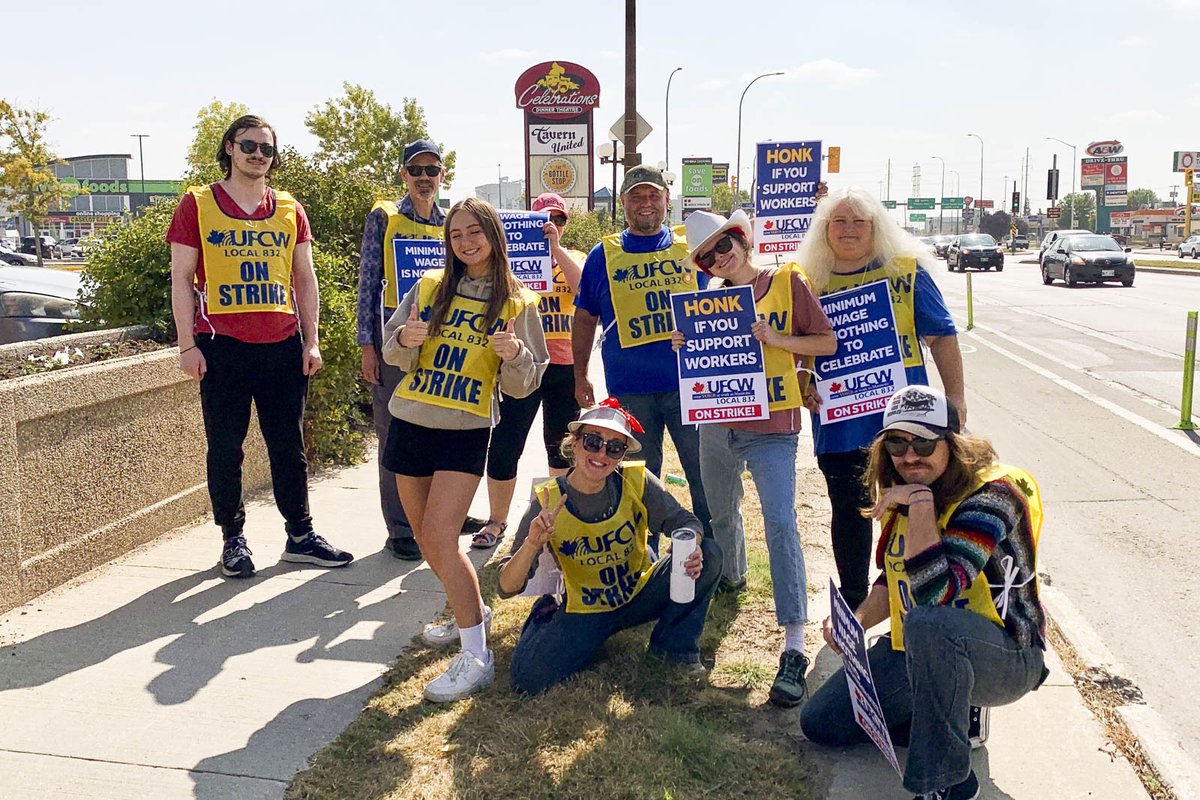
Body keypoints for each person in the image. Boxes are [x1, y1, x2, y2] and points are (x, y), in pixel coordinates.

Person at [800, 385, 1047, 800]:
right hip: (922, 645)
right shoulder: (908, 487)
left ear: (954, 444)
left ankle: (947, 782)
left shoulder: (994, 496)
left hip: (1006, 655)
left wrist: (918, 503)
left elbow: (935, 592)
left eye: (924, 443)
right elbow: (893, 578)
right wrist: (855, 622)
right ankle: (940, 709)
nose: (910, 456)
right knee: (821, 722)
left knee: (929, 622)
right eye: (897, 443)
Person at [168, 114, 353, 579]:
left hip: (281, 346)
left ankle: (300, 535)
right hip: (221, 345)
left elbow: (304, 278)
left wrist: (312, 341)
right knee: (226, 448)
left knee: (288, 446)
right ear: (230, 147)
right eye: (248, 145)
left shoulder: (289, 208)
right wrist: (187, 344)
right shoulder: (198, 203)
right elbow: (181, 278)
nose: (257, 155)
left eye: (266, 149)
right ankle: (232, 538)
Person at [382, 197, 548, 702]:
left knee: (439, 535)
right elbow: (393, 351)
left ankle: (477, 654)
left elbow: (526, 383)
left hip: (465, 428)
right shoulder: (430, 287)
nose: (466, 242)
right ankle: (468, 612)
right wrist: (407, 338)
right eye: (456, 235)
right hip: (410, 421)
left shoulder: (519, 302)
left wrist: (516, 354)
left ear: (493, 236)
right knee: (426, 538)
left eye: (475, 232)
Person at [672, 209, 837, 708]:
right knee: (720, 514)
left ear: (741, 240)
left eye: (725, 246)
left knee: (782, 523)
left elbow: (826, 341)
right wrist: (685, 344)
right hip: (717, 426)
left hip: (774, 429)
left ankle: (792, 642)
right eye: (709, 256)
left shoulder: (788, 282)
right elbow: (701, 369)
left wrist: (778, 340)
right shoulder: (706, 302)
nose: (720, 257)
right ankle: (734, 575)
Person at [792, 186, 964, 611]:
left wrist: (956, 397)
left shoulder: (906, 273)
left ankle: (918, 599)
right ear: (824, 230)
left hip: (907, 426)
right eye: (839, 221)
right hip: (840, 420)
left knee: (917, 508)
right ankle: (854, 603)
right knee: (850, 512)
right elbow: (793, 344)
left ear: (877, 227)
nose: (849, 230)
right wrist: (801, 379)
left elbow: (941, 337)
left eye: (859, 222)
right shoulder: (807, 281)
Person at [499, 401, 721, 695]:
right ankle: (548, 615)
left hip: (637, 592)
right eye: (593, 442)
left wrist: (689, 544)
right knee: (526, 681)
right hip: (586, 608)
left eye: (614, 448)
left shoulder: (635, 480)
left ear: (621, 456)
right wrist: (531, 545)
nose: (602, 454)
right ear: (574, 444)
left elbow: (686, 521)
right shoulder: (549, 500)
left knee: (711, 552)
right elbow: (505, 587)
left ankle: (673, 648)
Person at [357, 139, 485, 562]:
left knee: (438, 431)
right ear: (404, 175)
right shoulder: (385, 217)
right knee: (396, 437)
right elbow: (368, 284)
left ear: (442, 175)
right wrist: (369, 345)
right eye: (417, 171)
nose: (425, 178)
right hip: (398, 345)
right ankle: (401, 529)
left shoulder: (453, 224)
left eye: (432, 170)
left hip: (445, 349)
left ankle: (436, 515)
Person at [572, 164, 712, 539]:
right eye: (636, 196)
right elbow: (584, 317)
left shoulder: (693, 248)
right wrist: (579, 374)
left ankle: (718, 560)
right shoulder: (603, 255)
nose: (646, 203)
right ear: (623, 203)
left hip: (691, 387)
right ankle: (640, 558)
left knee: (707, 478)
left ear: (667, 199)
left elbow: (726, 301)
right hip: (630, 389)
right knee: (636, 478)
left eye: (653, 195)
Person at [470, 192, 585, 550]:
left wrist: (554, 249)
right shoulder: (511, 261)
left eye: (560, 219)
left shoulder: (574, 256)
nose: (552, 224)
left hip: (563, 365)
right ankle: (496, 521)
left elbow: (584, 290)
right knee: (505, 444)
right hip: (521, 362)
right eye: (544, 219)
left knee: (561, 447)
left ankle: (560, 519)